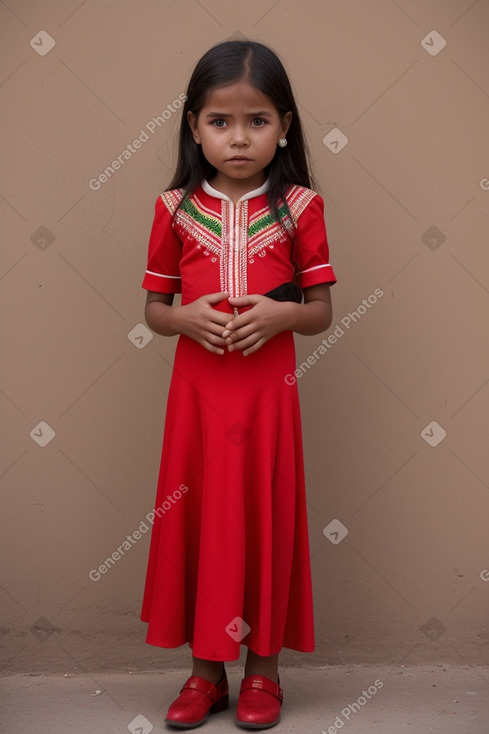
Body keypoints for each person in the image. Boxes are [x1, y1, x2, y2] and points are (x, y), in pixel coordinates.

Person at [140, 39, 337, 730]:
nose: (238, 137)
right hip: (196, 395)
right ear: (193, 126)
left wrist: (284, 312)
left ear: (283, 125)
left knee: (261, 517)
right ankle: (203, 675)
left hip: (265, 396)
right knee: (201, 521)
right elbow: (154, 310)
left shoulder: (300, 208)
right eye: (219, 122)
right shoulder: (172, 209)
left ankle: (262, 674)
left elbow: (320, 313)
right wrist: (180, 319)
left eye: (256, 120)